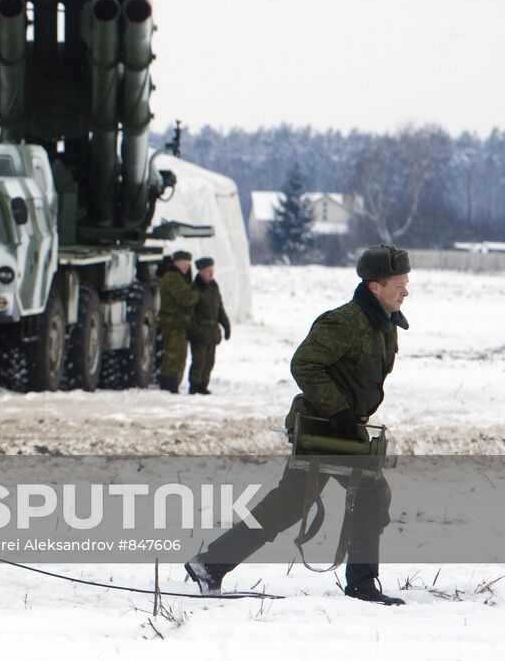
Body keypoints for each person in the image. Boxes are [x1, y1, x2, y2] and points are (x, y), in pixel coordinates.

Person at [184, 244, 412, 605]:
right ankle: (362, 585)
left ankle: (211, 565)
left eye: (406, 283)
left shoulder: (383, 326)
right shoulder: (345, 321)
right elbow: (304, 364)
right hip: (322, 427)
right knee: (368, 492)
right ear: (374, 287)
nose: (405, 291)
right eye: (397, 284)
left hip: (343, 429)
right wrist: (337, 412)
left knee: (295, 503)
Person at [186, 256, 231, 395]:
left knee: (209, 361)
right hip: (200, 330)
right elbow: (190, 312)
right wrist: (194, 329)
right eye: (207, 271)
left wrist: (226, 325)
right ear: (201, 271)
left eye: (212, 270)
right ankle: (194, 386)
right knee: (198, 361)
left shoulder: (213, 286)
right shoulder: (195, 288)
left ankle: (203, 385)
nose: (211, 274)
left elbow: (220, 308)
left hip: (212, 331)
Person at [156, 250, 197, 392]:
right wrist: (196, 294)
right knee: (174, 354)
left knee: (178, 354)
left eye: (188, 263)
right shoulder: (173, 277)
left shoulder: (180, 277)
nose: (186, 266)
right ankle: (168, 384)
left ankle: (170, 383)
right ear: (175, 263)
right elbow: (185, 298)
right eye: (183, 263)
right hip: (172, 321)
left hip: (177, 322)